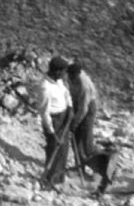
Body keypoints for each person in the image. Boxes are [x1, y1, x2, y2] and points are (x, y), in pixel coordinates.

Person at [39, 55, 73, 187]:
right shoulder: (45, 88)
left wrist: (70, 107)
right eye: (63, 71)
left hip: (64, 116)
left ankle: (59, 178)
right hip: (54, 121)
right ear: (57, 71)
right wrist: (52, 133)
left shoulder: (59, 81)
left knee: (63, 150)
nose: (65, 74)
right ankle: (50, 179)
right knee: (54, 149)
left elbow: (66, 93)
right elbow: (44, 113)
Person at [68, 61, 99, 164]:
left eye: (73, 76)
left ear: (77, 74)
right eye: (69, 75)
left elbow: (83, 109)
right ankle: (79, 166)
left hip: (88, 108)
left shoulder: (85, 86)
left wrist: (74, 123)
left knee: (86, 141)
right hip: (77, 104)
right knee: (75, 139)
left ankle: (103, 165)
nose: (70, 78)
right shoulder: (70, 75)